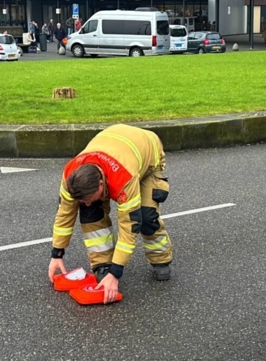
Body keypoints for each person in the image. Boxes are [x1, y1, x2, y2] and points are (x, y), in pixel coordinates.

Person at [49, 124, 173, 304]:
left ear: (101, 184)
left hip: (148, 156)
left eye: (90, 197)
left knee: (146, 217)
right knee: (91, 213)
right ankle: (102, 265)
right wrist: (56, 254)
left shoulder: (124, 178)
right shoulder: (71, 176)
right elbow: (65, 214)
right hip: (114, 144)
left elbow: (129, 226)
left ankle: (161, 260)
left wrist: (116, 273)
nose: (87, 203)